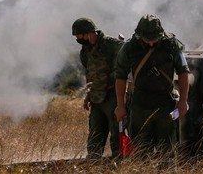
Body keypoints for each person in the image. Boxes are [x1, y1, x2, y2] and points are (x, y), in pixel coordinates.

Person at [114, 14, 190, 151]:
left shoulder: (172, 45)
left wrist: (183, 101)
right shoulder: (129, 48)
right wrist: (120, 106)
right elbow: (120, 77)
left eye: (154, 40)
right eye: (147, 40)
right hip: (140, 106)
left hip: (166, 104)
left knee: (167, 152)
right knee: (140, 151)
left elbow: (183, 73)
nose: (150, 44)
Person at [72, 17, 124, 159]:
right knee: (95, 134)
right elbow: (89, 73)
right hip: (96, 98)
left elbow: (126, 63)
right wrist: (88, 95)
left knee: (116, 133)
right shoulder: (84, 51)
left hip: (112, 96)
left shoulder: (111, 45)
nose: (78, 39)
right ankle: (93, 164)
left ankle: (120, 163)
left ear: (89, 32)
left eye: (80, 36)